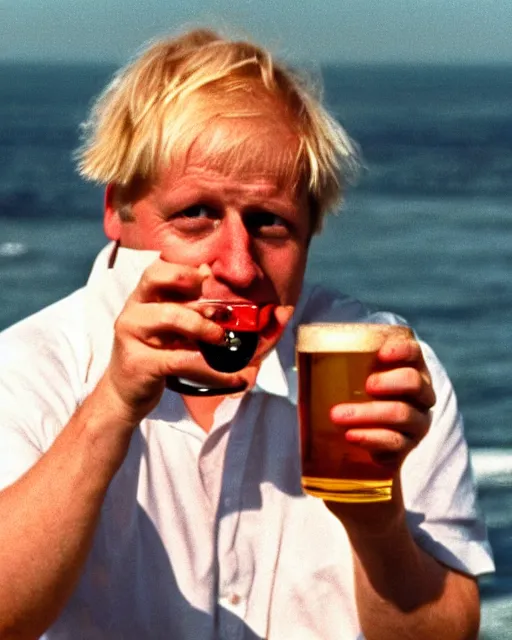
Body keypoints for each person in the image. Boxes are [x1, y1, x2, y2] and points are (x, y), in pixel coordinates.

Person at [0, 28, 493, 640]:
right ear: (118, 210)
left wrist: (376, 522)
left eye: (270, 223)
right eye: (196, 214)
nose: (237, 263)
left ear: (311, 233)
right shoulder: (30, 366)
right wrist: (111, 408)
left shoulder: (378, 366)